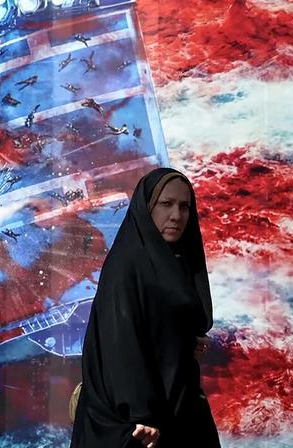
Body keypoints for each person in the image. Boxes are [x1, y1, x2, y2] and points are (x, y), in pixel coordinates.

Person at [70, 168, 220, 448]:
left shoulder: (175, 262)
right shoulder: (127, 265)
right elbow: (121, 342)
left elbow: (159, 326)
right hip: (136, 424)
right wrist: (141, 411)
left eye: (184, 206)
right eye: (166, 204)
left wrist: (185, 340)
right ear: (146, 207)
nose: (176, 215)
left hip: (177, 408)